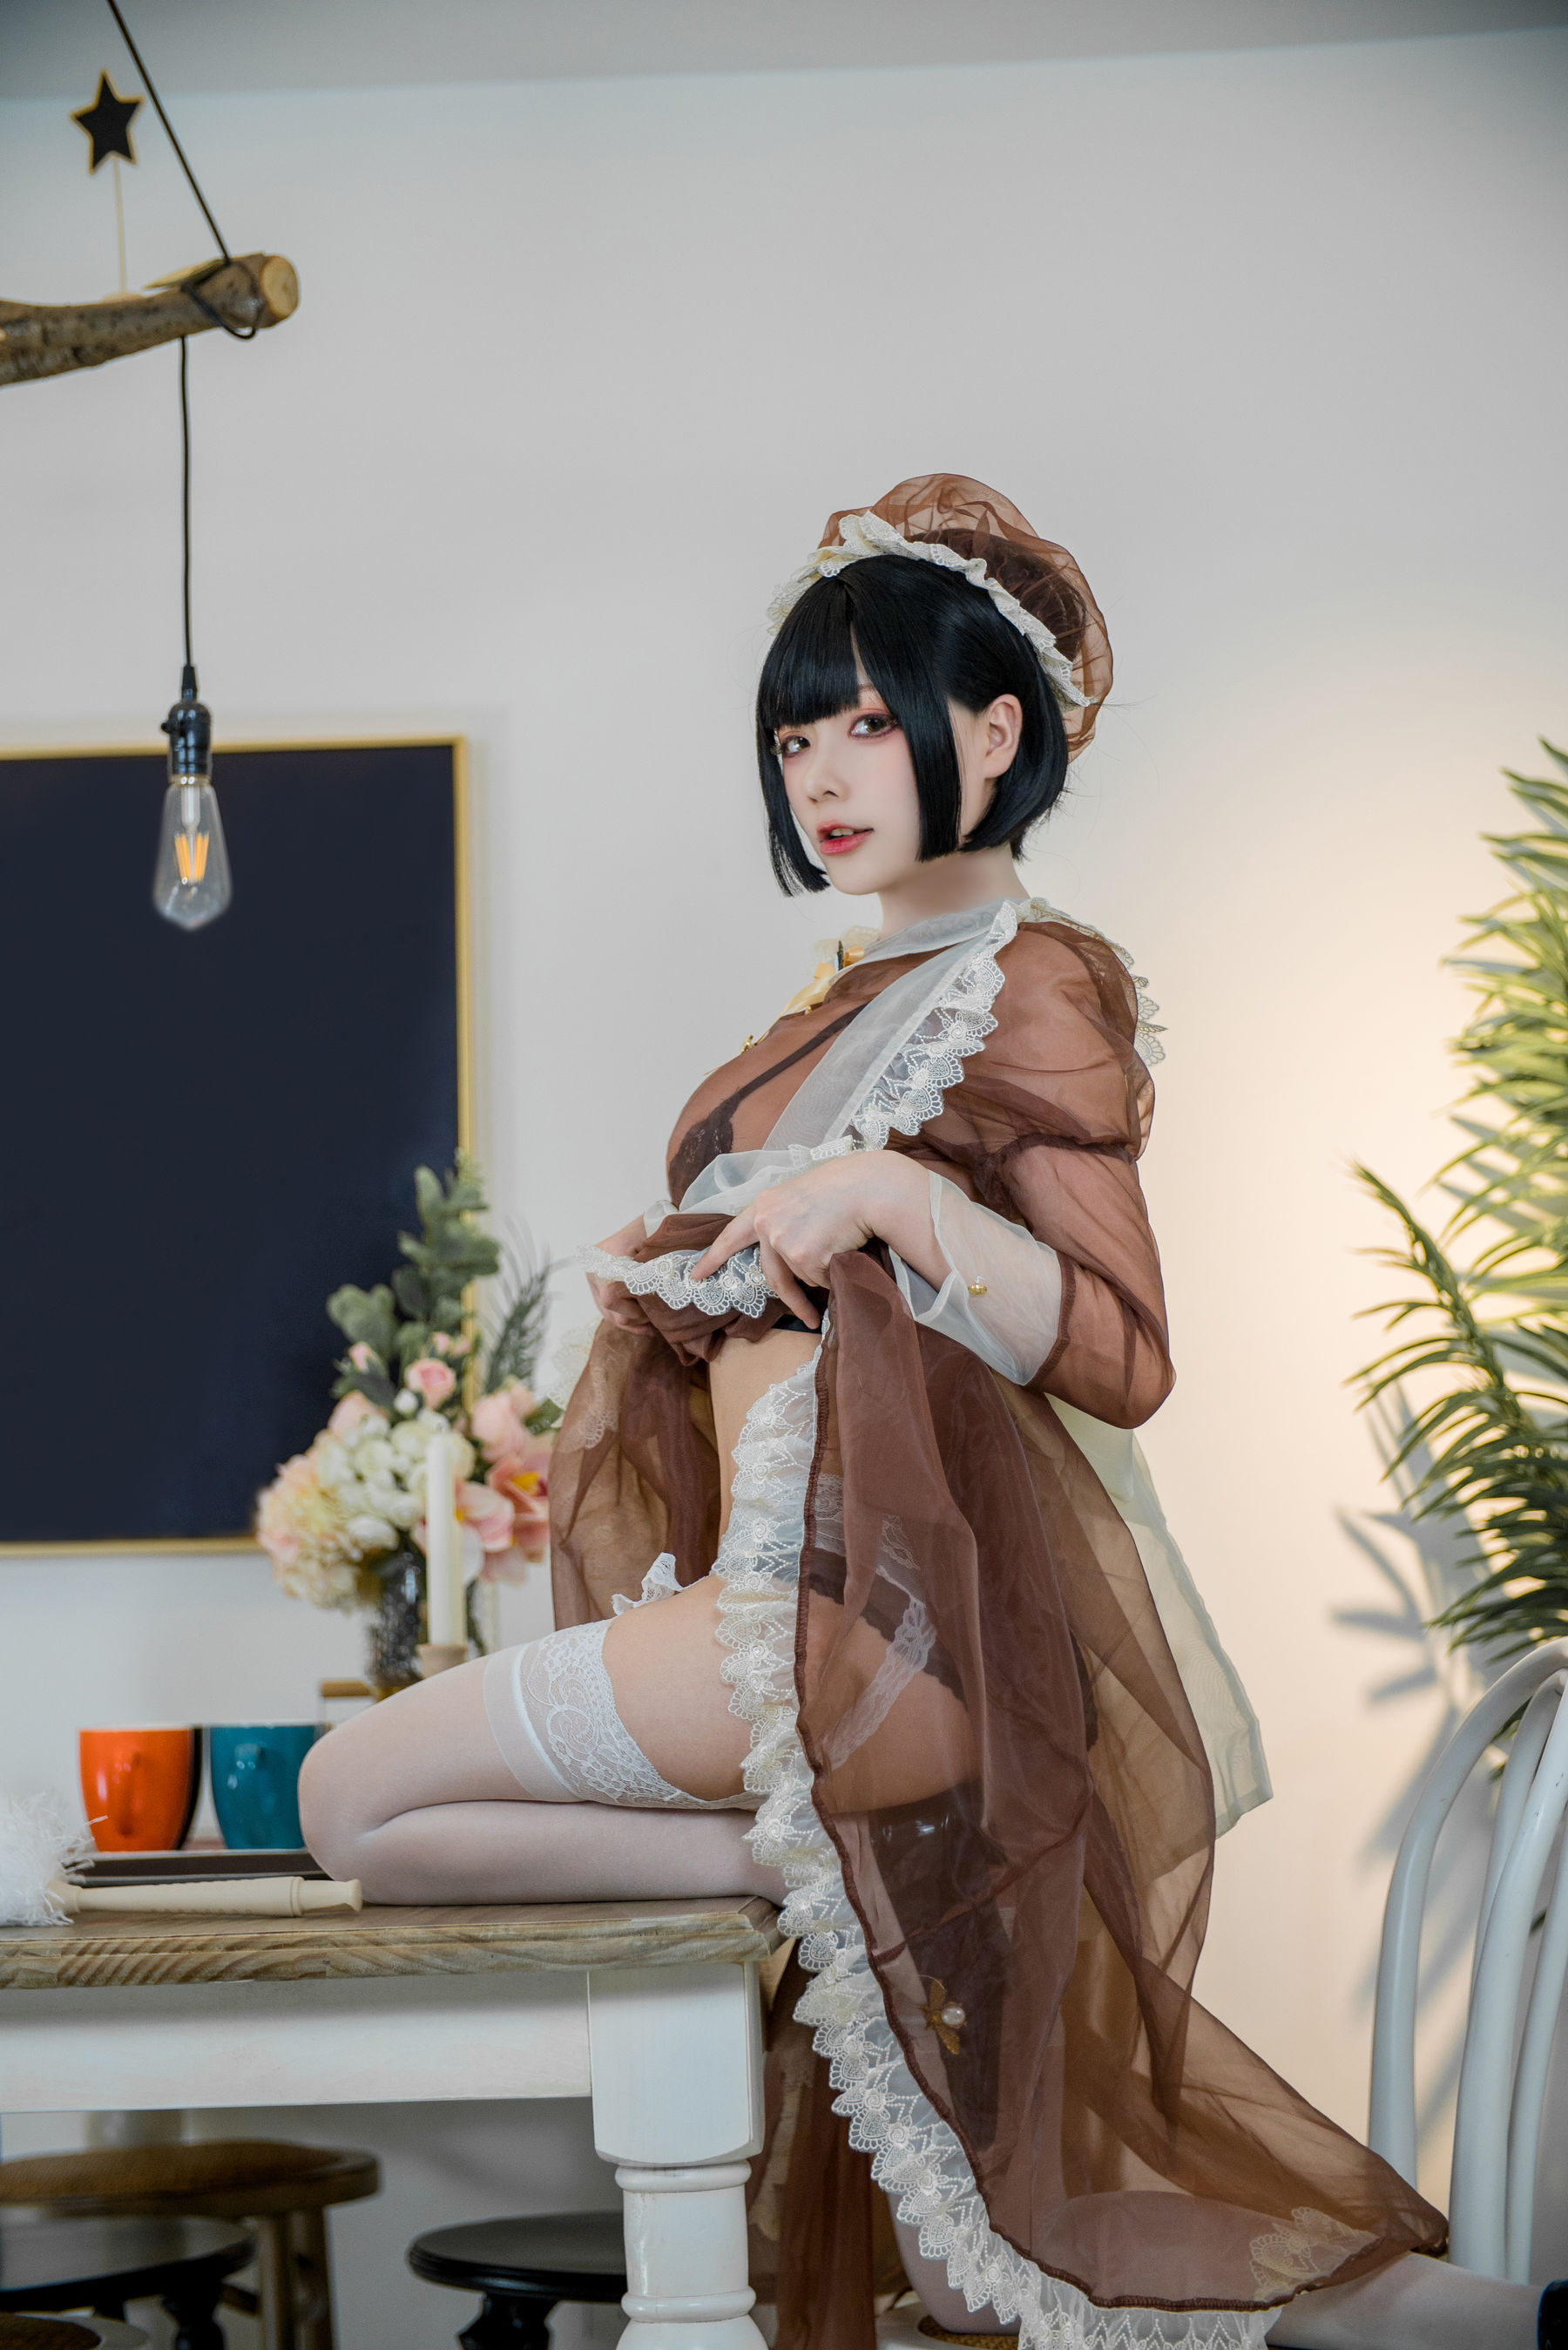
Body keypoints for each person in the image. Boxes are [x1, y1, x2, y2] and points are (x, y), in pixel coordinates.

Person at [301, 477, 1558, 2350]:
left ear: (993, 730)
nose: (820, 772)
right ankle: (1503, 2317)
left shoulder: (1030, 981)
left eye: (867, 724)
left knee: (344, 1796)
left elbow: (1119, 1346)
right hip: (812, 1629)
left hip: (834, 1633)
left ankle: (814, 1867)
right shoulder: (847, 996)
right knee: (996, 2247)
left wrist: (893, 1196)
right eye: (794, 737)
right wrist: (704, 1266)